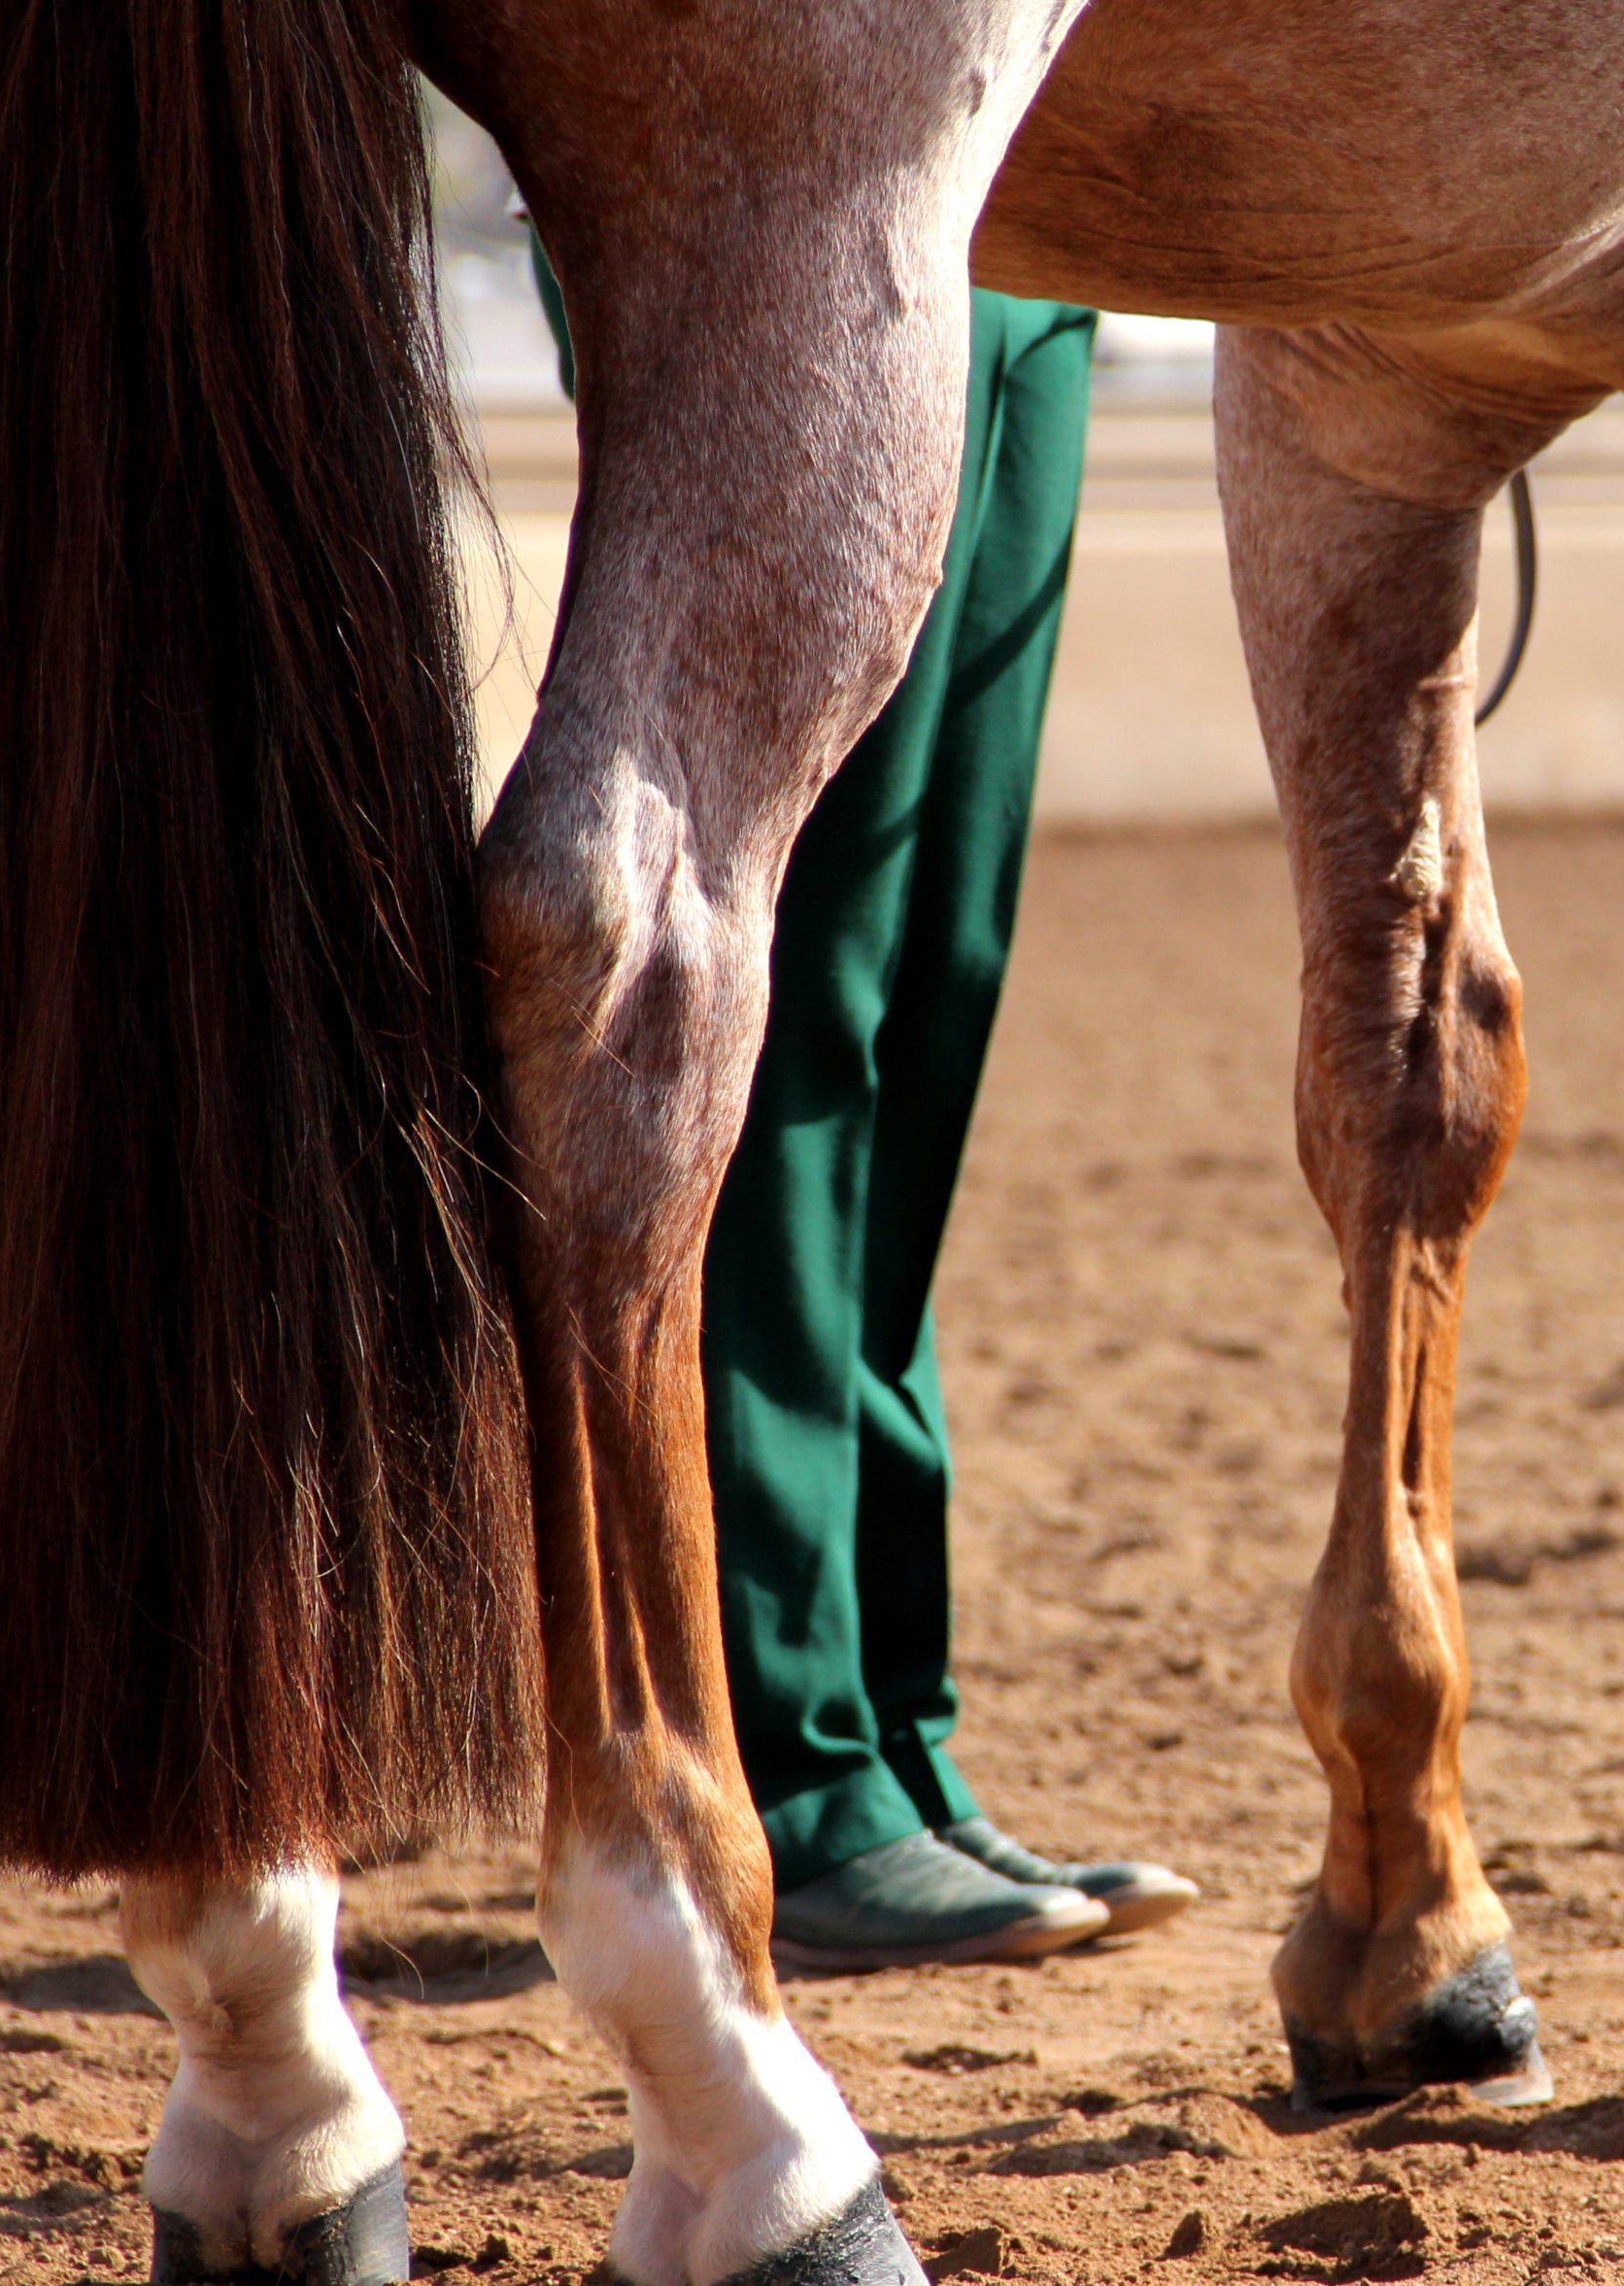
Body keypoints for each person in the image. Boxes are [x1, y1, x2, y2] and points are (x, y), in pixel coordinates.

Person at [531, 245, 1197, 1968]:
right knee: (800, 971)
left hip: (1038, 217)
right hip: (827, 187)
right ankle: (789, 1752)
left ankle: (899, 1722)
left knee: (934, 966)